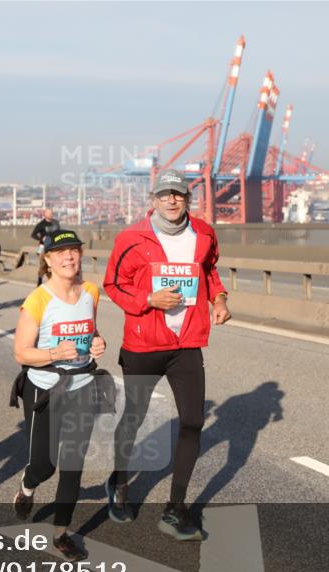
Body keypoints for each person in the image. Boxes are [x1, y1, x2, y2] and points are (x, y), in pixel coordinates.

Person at [103, 169, 231, 541]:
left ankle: (176, 508)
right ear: (153, 199)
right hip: (143, 345)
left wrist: (219, 299)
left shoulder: (204, 234)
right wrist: (147, 300)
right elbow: (113, 284)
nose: (172, 200)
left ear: (187, 198)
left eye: (178, 194)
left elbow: (210, 271)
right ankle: (121, 483)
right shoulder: (132, 238)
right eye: (165, 194)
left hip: (187, 343)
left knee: (192, 421)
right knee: (135, 417)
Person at [10, 229, 110, 561]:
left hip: (82, 386)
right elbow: (22, 354)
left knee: (73, 464)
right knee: (45, 464)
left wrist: (97, 343)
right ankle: (28, 484)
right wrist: (54, 354)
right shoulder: (38, 300)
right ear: (49, 260)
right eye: (61, 252)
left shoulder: (91, 292)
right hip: (45, 388)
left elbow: (89, 331)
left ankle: (61, 533)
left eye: (74, 251)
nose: (69, 257)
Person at [31, 208, 60, 286]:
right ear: (45, 214)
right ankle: (39, 281)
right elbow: (33, 235)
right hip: (43, 247)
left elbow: (59, 233)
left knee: (55, 264)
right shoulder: (41, 224)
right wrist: (41, 238)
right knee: (43, 264)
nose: (51, 214)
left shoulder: (56, 223)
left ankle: (55, 281)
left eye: (51, 213)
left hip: (54, 246)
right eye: (49, 213)